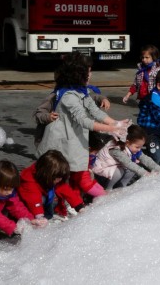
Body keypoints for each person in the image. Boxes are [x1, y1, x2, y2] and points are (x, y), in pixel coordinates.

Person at [36, 52, 128, 198]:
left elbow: (94, 111)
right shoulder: (68, 96)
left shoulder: (81, 92)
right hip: (62, 140)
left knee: (74, 172)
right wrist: (111, 129)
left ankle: (71, 201)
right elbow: (84, 120)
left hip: (75, 138)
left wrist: (115, 123)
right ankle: (59, 204)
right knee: (59, 174)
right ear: (78, 74)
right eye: (88, 71)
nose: (90, 75)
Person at [33, 55, 110, 148]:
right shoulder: (57, 96)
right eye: (87, 72)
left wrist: (102, 99)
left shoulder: (79, 92)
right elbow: (39, 113)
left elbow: (88, 99)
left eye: (89, 71)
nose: (90, 75)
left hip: (71, 139)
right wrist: (48, 117)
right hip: (54, 141)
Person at [18, 150, 85, 220]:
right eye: (58, 177)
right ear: (47, 174)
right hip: (29, 206)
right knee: (42, 199)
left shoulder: (51, 177)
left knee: (53, 198)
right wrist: (39, 216)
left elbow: (66, 190)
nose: (60, 179)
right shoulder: (29, 180)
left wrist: (79, 206)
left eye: (61, 177)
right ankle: (42, 217)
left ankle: (48, 216)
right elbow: (34, 199)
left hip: (43, 201)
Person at [92, 125, 160, 190]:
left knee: (131, 170)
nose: (139, 149)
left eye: (141, 146)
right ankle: (108, 189)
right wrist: (145, 173)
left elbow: (145, 159)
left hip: (113, 168)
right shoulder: (116, 149)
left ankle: (121, 187)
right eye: (137, 147)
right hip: (100, 171)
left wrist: (159, 169)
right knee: (120, 171)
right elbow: (128, 163)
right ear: (127, 142)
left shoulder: (131, 147)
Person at [0, 160, 47, 237]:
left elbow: (16, 207)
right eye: (6, 189)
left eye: (12, 188)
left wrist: (31, 220)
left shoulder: (7, 193)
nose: (10, 192)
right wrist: (14, 227)